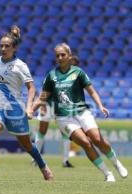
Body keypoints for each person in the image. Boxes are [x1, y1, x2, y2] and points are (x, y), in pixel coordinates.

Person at [32, 43, 128, 182]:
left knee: (96, 138)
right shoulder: (51, 76)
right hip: (63, 118)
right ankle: (108, 174)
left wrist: (100, 106)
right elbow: (43, 98)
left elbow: (92, 91)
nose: (60, 57)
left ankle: (116, 163)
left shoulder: (78, 72)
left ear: (69, 56)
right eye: (57, 55)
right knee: (85, 143)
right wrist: (30, 110)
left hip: (82, 112)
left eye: (63, 54)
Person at [0, 25, 54, 181]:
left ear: (14, 48)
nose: (3, 49)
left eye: (7, 46)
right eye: (1, 46)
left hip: (15, 109)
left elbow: (31, 88)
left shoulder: (20, 66)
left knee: (27, 145)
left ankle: (44, 167)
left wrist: (29, 107)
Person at [34, 55, 80, 168]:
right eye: (71, 63)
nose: (72, 65)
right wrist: (42, 105)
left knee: (66, 133)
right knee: (42, 130)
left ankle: (65, 161)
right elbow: (45, 90)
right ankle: (35, 158)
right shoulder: (54, 73)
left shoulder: (75, 76)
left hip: (62, 107)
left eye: (74, 64)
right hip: (48, 104)